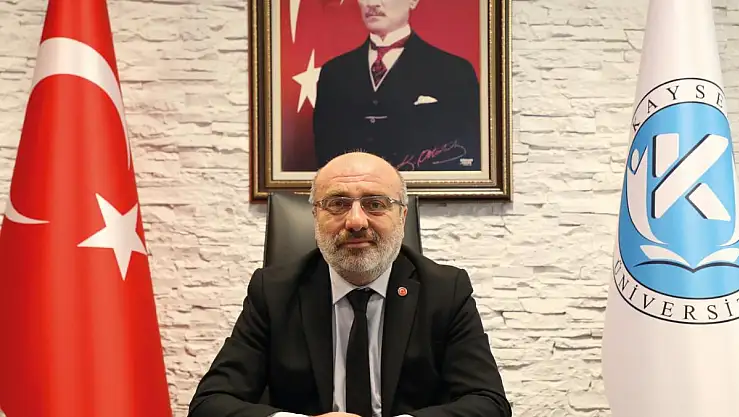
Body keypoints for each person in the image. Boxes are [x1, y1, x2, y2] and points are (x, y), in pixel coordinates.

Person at [188, 152, 511, 417]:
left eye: (375, 204)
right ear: (315, 216)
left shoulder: (445, 291)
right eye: (338, 204)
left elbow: (489, 404)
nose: (356, 221)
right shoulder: (273, 292)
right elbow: (209, 404)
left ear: (401, 217)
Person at [312, 0, 481, 172]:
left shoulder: (454, 70)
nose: (372, 3)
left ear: (413, 1)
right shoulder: (333, 72)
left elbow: (466, 150)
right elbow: (326, 153)